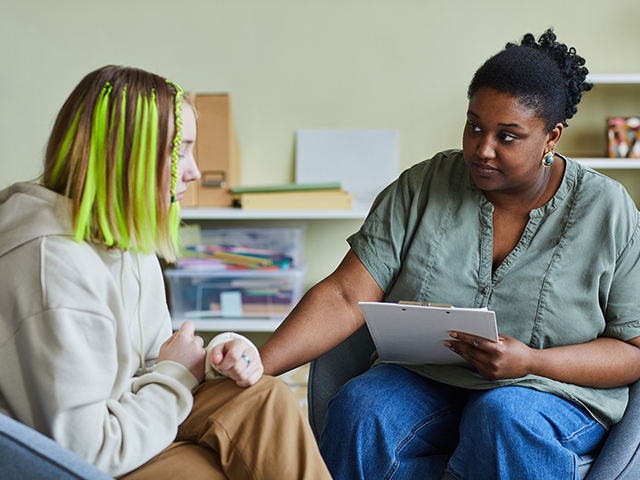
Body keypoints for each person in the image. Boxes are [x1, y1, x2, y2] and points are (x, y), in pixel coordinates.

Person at [258, 29, 640, 479]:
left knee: (503, 415)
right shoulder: (421, 186)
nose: (482, 149)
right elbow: (345, 294)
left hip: (551, 392)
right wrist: (255, 366)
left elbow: (632, 348)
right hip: (430, 380)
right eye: (474, 125)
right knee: (364, 406)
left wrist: (532, 361)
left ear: (551, 137)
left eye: (508, 136)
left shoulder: (608, 210)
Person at [0, 65, 331, 480]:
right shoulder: (51, 265)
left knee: (266, 397)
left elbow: (154, 361)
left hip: (128, 418)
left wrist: (219, 359)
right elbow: (86, 451)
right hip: (83, 458)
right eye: (181, 151)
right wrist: (176, 374)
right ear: (128, 156)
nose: (193, 171)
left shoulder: (125, 240)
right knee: (212, 471)